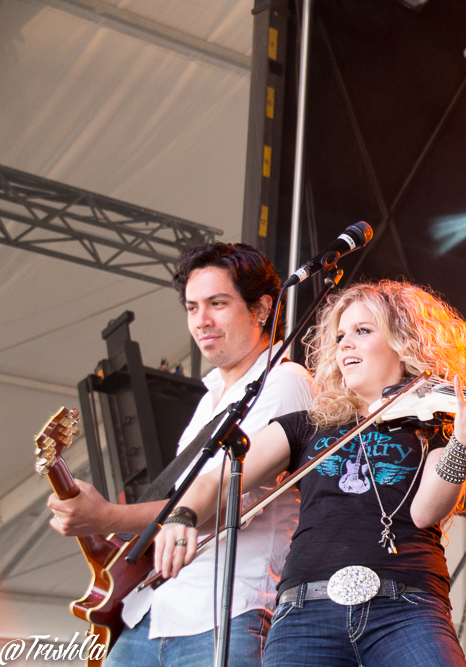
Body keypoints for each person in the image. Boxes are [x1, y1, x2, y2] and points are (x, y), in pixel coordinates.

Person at [154, 280, 466, 667]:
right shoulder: (308, 425)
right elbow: (218, 479)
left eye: (362, 331)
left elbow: (425, 512)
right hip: (306, 612)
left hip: (406, 605)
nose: (346, 345)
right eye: (340, 336)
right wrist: (181, 514)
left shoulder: (434, 426)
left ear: (405, 341)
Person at [49, 243, 314, 666]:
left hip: (226, 613)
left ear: (263, 308)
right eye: (192, 307)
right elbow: (179, 499)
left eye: (217, 303)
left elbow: (223, 500)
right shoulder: (210, 395)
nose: (201, 320)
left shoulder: (285, 381)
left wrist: (105, 517)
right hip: (153, 611)